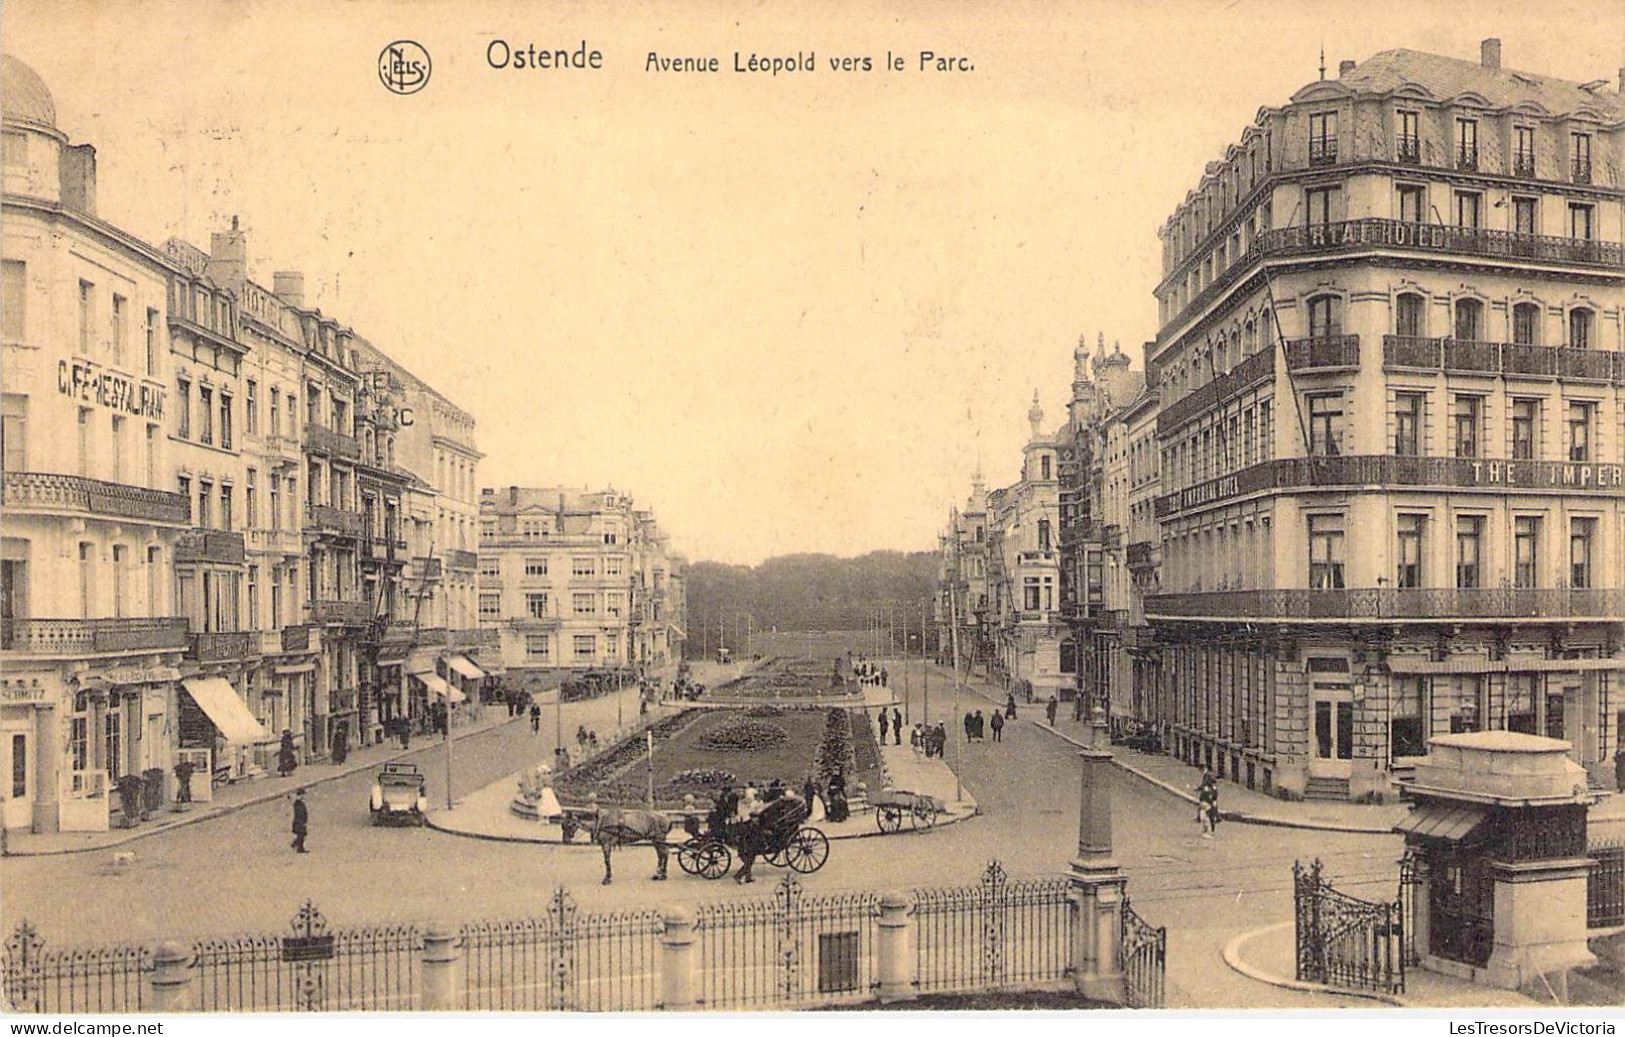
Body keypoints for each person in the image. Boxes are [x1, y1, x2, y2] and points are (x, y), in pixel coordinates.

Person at [1197, 773, 1220, 839]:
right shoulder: (1206, 789)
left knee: (1212, 818)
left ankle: (1212, 831)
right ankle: (1205, 832)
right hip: (1206, 804)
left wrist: (1214, 801)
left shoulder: (1213, 788)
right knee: (1205, 819)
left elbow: (1215, 795)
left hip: (1211, 804)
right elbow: (1203, 797)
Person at [290, 789, 309, 853]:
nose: (303, 797)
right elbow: (299, 813)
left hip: (301, 821)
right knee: (301, 835)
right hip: (299, 822)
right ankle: (299, 848)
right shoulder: (298, 803)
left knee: (301, 835)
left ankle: (295, 844)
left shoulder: (299, 803)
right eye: (302, 795)